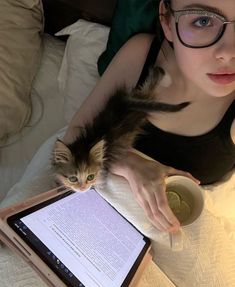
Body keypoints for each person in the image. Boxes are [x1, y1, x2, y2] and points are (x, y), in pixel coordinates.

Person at [61, 0, 235, 233]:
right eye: (202, 21)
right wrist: (132, 164)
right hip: (91, 217)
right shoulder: (141, 55)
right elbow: (74, 138)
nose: (229, 53)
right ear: (167, 21)